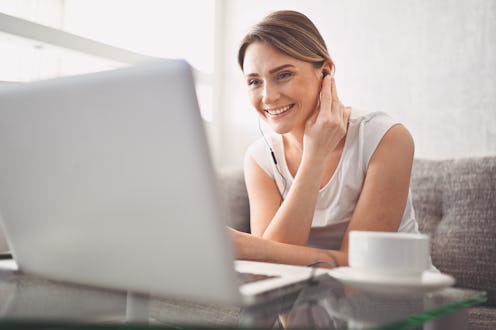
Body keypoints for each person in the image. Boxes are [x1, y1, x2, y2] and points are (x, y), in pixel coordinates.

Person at [228, 10, 420, 268]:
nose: (268, 97)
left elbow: (363, 266)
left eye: (283, 75)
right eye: (254, 82)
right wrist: (314, 156)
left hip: (395, 299)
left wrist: (315, 153)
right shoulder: (259, 159)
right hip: (308, 301)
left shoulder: (386, 138)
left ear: (326, 72)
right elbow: (270, 267)